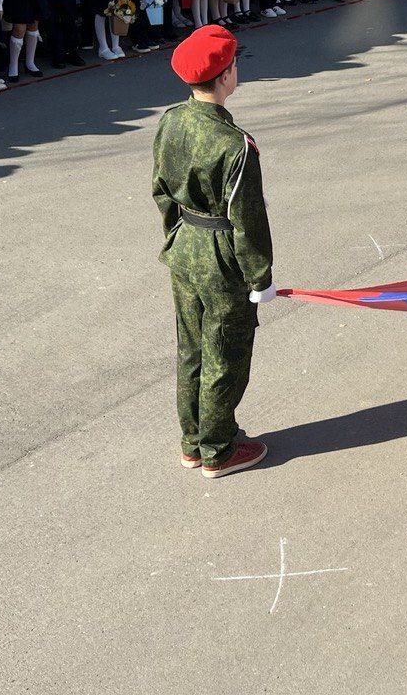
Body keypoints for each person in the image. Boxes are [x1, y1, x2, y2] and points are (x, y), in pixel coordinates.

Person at [152, 24, 274, 479]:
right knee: (225, 352)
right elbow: (248, 220)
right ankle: (218, 449)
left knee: (191, 348)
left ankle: (193, 440)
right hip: (222, 254)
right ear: (225, 77)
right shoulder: (234, 144)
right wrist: (260, 277)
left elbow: (162, 190)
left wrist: (175, 236)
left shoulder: (170, 119)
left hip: (184, 245)